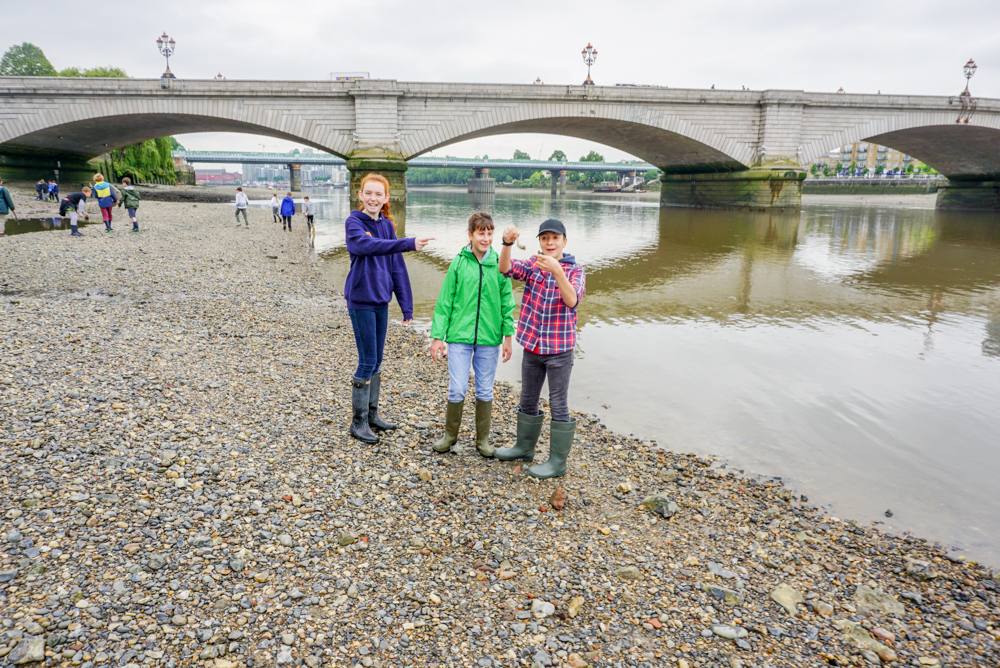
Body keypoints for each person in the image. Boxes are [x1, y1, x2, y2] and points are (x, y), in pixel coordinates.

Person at [343, 173, 433, 443]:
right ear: (360, 195)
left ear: (385, 198)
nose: (373, 198)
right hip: (360, 299)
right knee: (367, 360)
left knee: (378, 361)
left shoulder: (387, 225)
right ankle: (357, 423)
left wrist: (407, 307)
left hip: (381, 300)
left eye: (378, 194)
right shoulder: (354, 222)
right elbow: (367, 246)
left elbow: (396, 267)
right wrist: (408, 243)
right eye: (368, 193)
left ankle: (372, 416)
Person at [494, 219, 586, 479]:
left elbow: (572, 300)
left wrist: (557, 271)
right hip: (533, 345)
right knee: (527, 398)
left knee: (558, 404)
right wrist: (507, 243)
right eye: (545, 238)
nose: (549, 242)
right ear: (540, 242)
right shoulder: (534, 265)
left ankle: (557, 463)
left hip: (559, 350)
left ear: (564, 242)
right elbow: (505, 268)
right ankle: (524, 448)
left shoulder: (575, 270)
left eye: (555, 238)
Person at [429, 211, 515, 457]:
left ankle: (483, 441)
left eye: (489, 233)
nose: (486, 238)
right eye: (481, 233)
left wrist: (508, 336)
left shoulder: (500, 265)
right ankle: (450, 436)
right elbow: (445, 301)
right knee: (457, 388)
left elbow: (507, 302)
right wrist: (438, 337)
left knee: (485, 389)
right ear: (470, 235)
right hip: (459, 337)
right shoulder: (458, 262)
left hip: (489, 338)